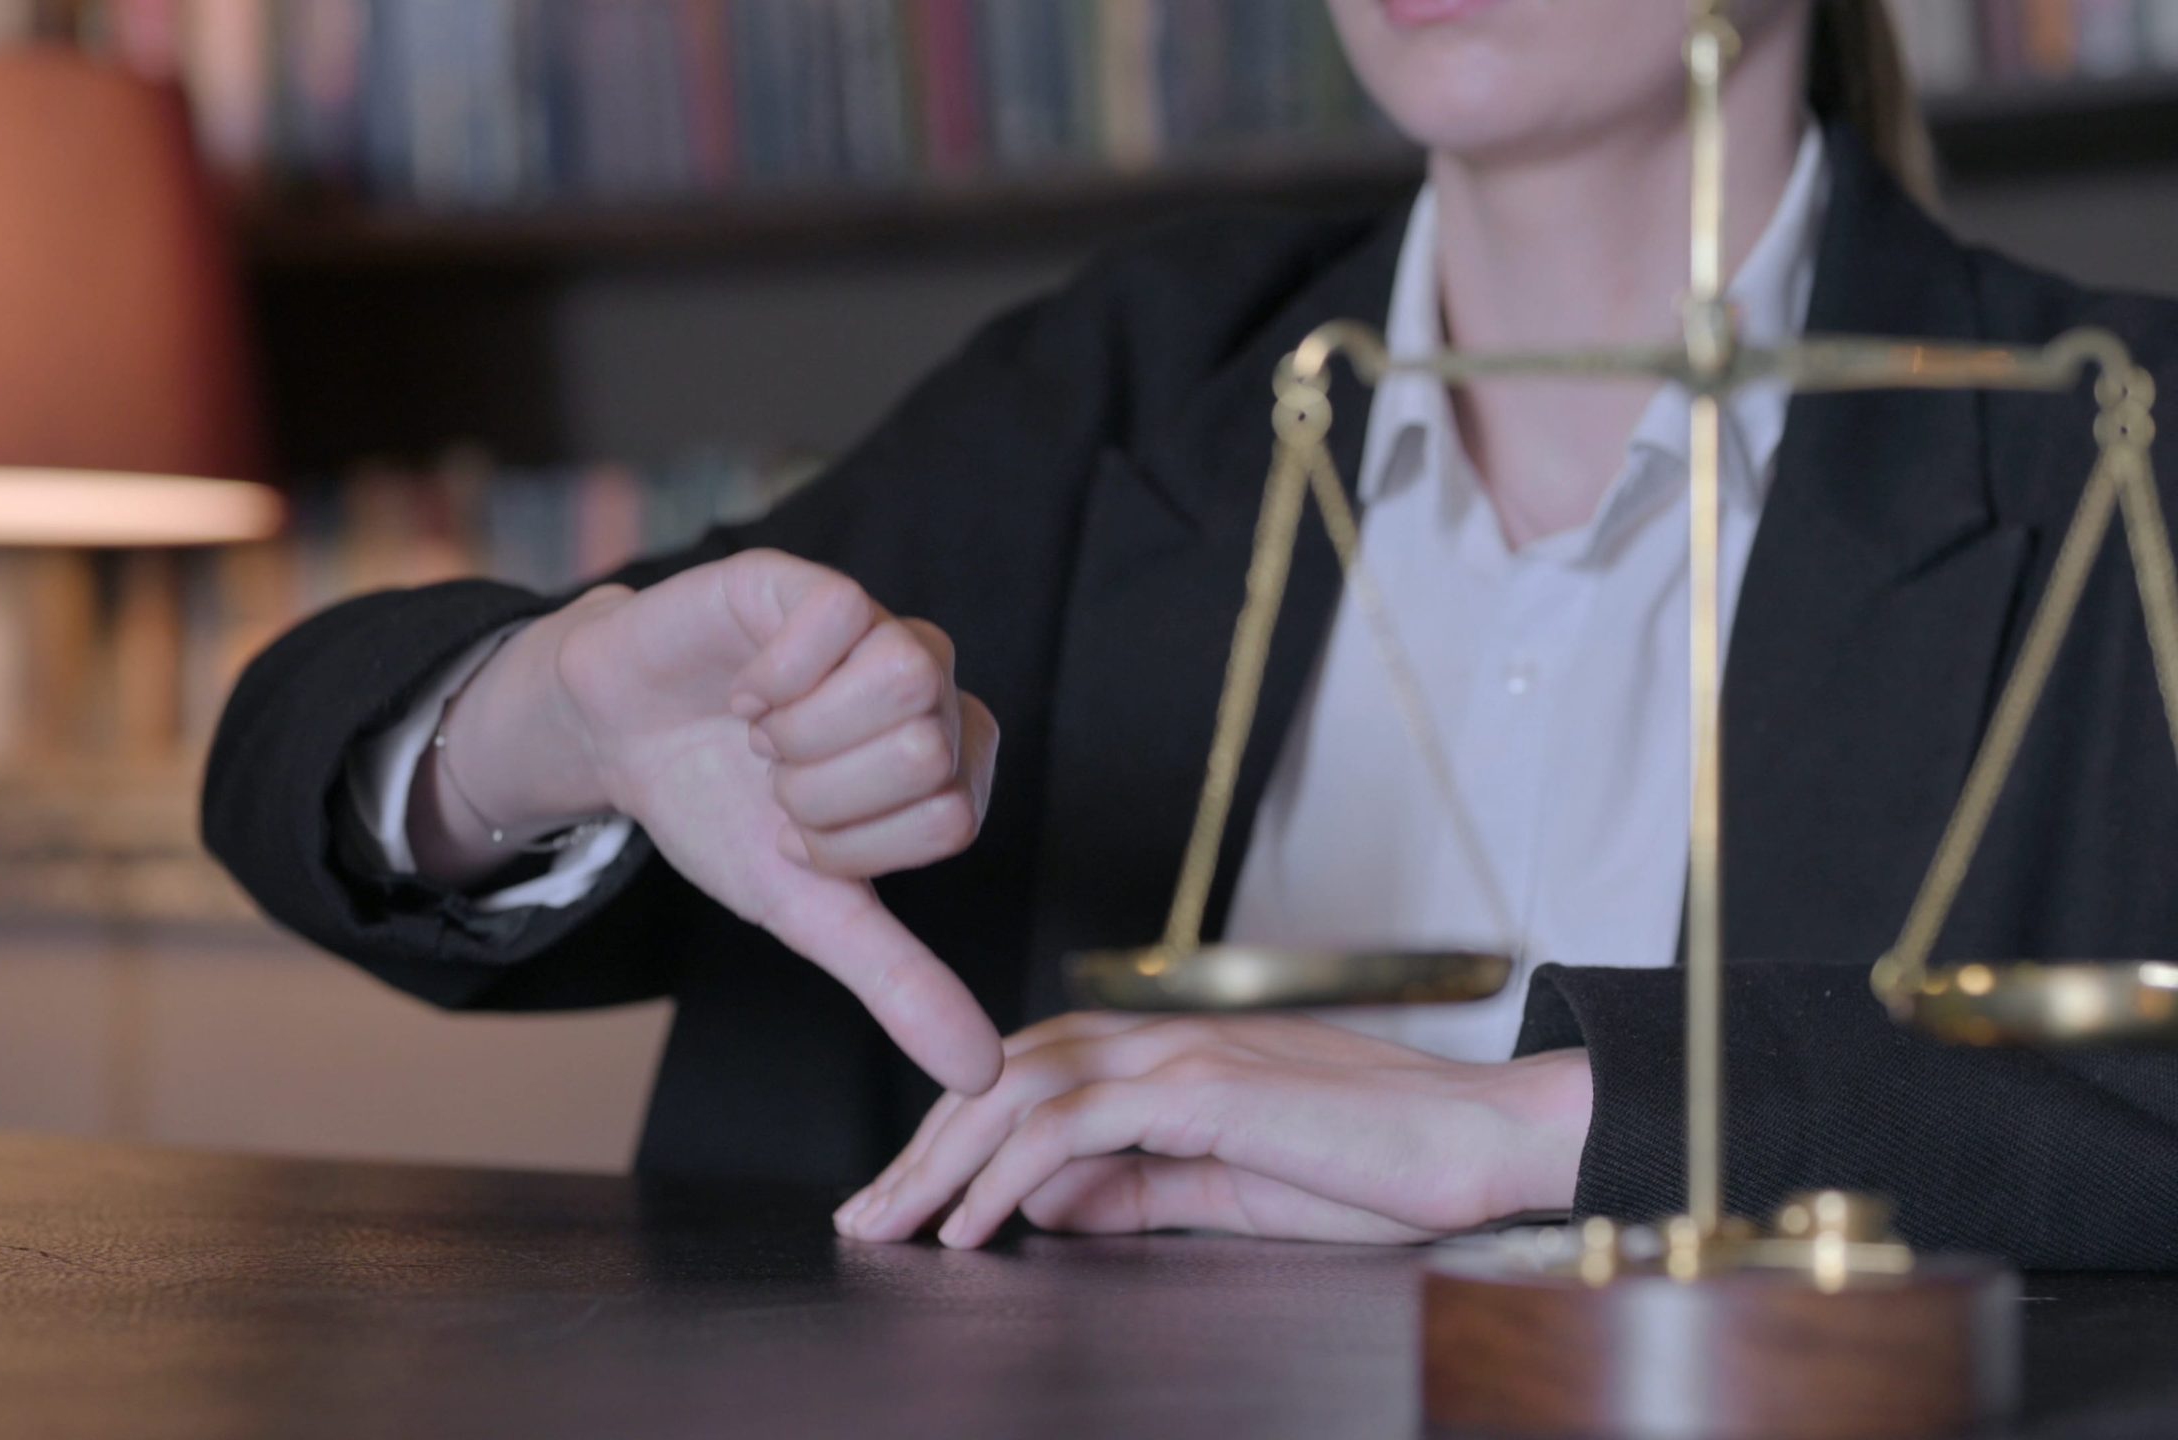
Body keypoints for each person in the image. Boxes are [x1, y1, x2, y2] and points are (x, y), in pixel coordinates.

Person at [205, 0, 2178, 1267]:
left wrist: (1537, 1124)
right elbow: (294, 756)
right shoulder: (1125, 390)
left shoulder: (2119, 447)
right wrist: (547, 713)